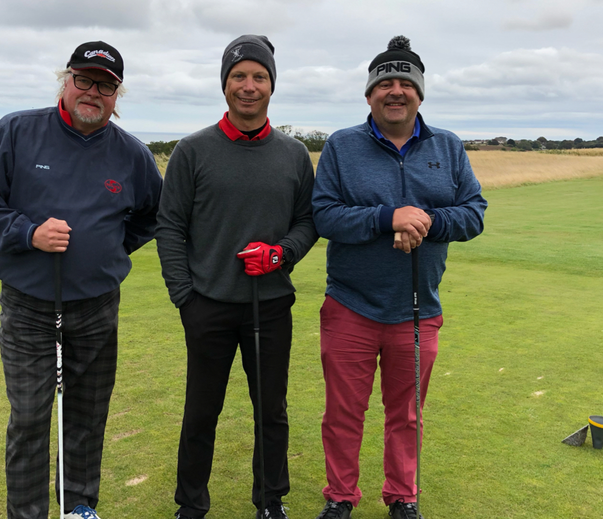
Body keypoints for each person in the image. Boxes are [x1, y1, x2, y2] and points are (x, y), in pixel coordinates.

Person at [0, 41, 162, 519]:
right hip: (29, 305)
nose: (93, 92)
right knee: (30, 418)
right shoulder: (16, 131)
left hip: (97, 306)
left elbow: (152, 215)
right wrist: (28, 234)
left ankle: (79, 507)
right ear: (65, 81)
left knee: (87, 416)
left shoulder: (132, 154)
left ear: (117, 96)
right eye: (84, 79)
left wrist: (109, 248)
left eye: (106, 86)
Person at [311, 37, 487, 519]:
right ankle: (340, 496)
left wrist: (425, 221)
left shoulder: (447, 146)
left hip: (417, 309)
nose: (395, 91)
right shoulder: (342, 145)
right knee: (343, 413)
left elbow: (473, 212)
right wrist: (387, 217)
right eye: (384, 82)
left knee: (407, 414)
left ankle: (402, 495)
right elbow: (324, 215)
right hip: (350, 306)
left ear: (420, 94)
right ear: (369, 94)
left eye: (405, 83)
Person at [156, 35, 318, 519]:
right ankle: (191, 504)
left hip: (271, 305)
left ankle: (270, 501)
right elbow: (170, 226)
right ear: (225, 84)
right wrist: (184, 297)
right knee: (201, 411)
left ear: (272, 84)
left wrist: (281, 254)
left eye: (259, 77)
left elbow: (308, 221)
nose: (249, 86)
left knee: (271, 410)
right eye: (239, 76)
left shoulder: (294, 154)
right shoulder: (192, 150)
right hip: (207, 305)